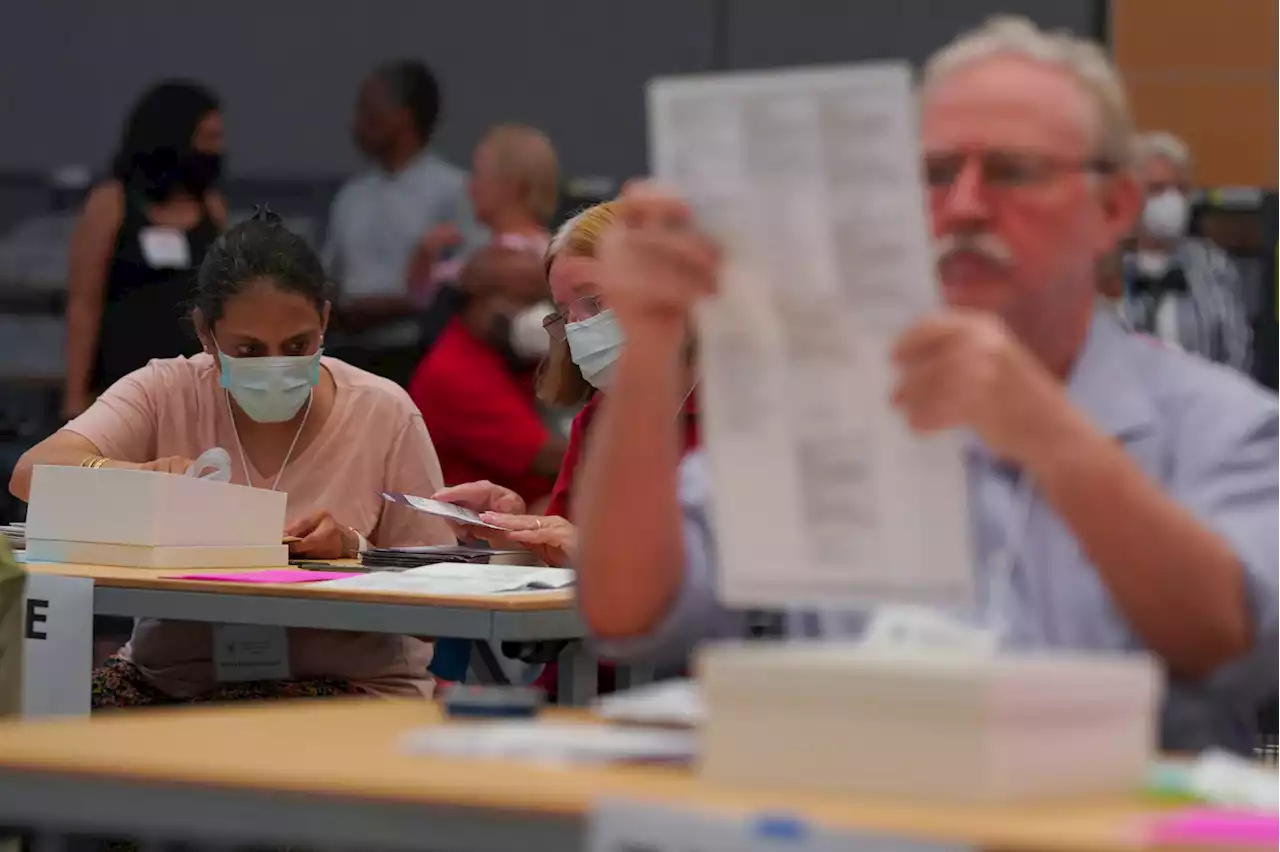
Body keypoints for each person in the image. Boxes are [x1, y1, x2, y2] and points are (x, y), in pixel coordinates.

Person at [574, 16, 1280, 755]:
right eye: (935, 174)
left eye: (1013, 171)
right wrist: (652, 352)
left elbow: (1228, 644)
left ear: (1115, 207)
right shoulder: (829, 396)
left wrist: (1052, 435)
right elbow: (625, 613)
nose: (965, 206)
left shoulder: (1224, 423)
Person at [11, 211, 453, 707]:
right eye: (247, 349)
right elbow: (32, 473)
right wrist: (132, 477)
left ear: (325, 320)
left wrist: (354, 548)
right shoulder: (166, 391)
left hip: (344, 680)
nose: (274, 365)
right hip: (173, 675)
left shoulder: (383, 411)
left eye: (296, 345)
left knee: (228, 733)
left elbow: (440, 582)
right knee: (47, 731)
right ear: (206, 334)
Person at [430, 202, 700, 695]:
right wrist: (514, 530)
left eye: (594, 303)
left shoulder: (736, 422)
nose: (577, 327)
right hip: (587, 677)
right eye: (564, 314)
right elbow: (563, 547)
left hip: (690, 680)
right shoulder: (597, 421)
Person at [63, 80, 228, 420]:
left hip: (196, 390)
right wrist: (74, 398)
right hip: (122, 385)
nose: (216, 151)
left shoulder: (212, 208)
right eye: (207, 140)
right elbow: (84, 304)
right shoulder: (111, 203)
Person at [322, 59, 486, 385]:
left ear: (404, 117)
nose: (356, 123)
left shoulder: (454, 191)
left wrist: (402, 304)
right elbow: (329, 275)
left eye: (369, 112)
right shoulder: (351, 196)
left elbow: (472, 276)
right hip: (348, 355)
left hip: (417, 357)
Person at [407, 245, 567, 508]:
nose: (539, 315)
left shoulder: (509, 358)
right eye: (525, 299)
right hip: (474, 532)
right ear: (478, 302)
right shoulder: (456, 371)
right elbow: (548, 459)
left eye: (544, 301)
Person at [1121, 131, 1252, 371]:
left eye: (1180, 189)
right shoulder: (1106, 268)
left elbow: (1238, 356)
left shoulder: (1214, 267)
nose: (1171, 199)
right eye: (1157, 189)